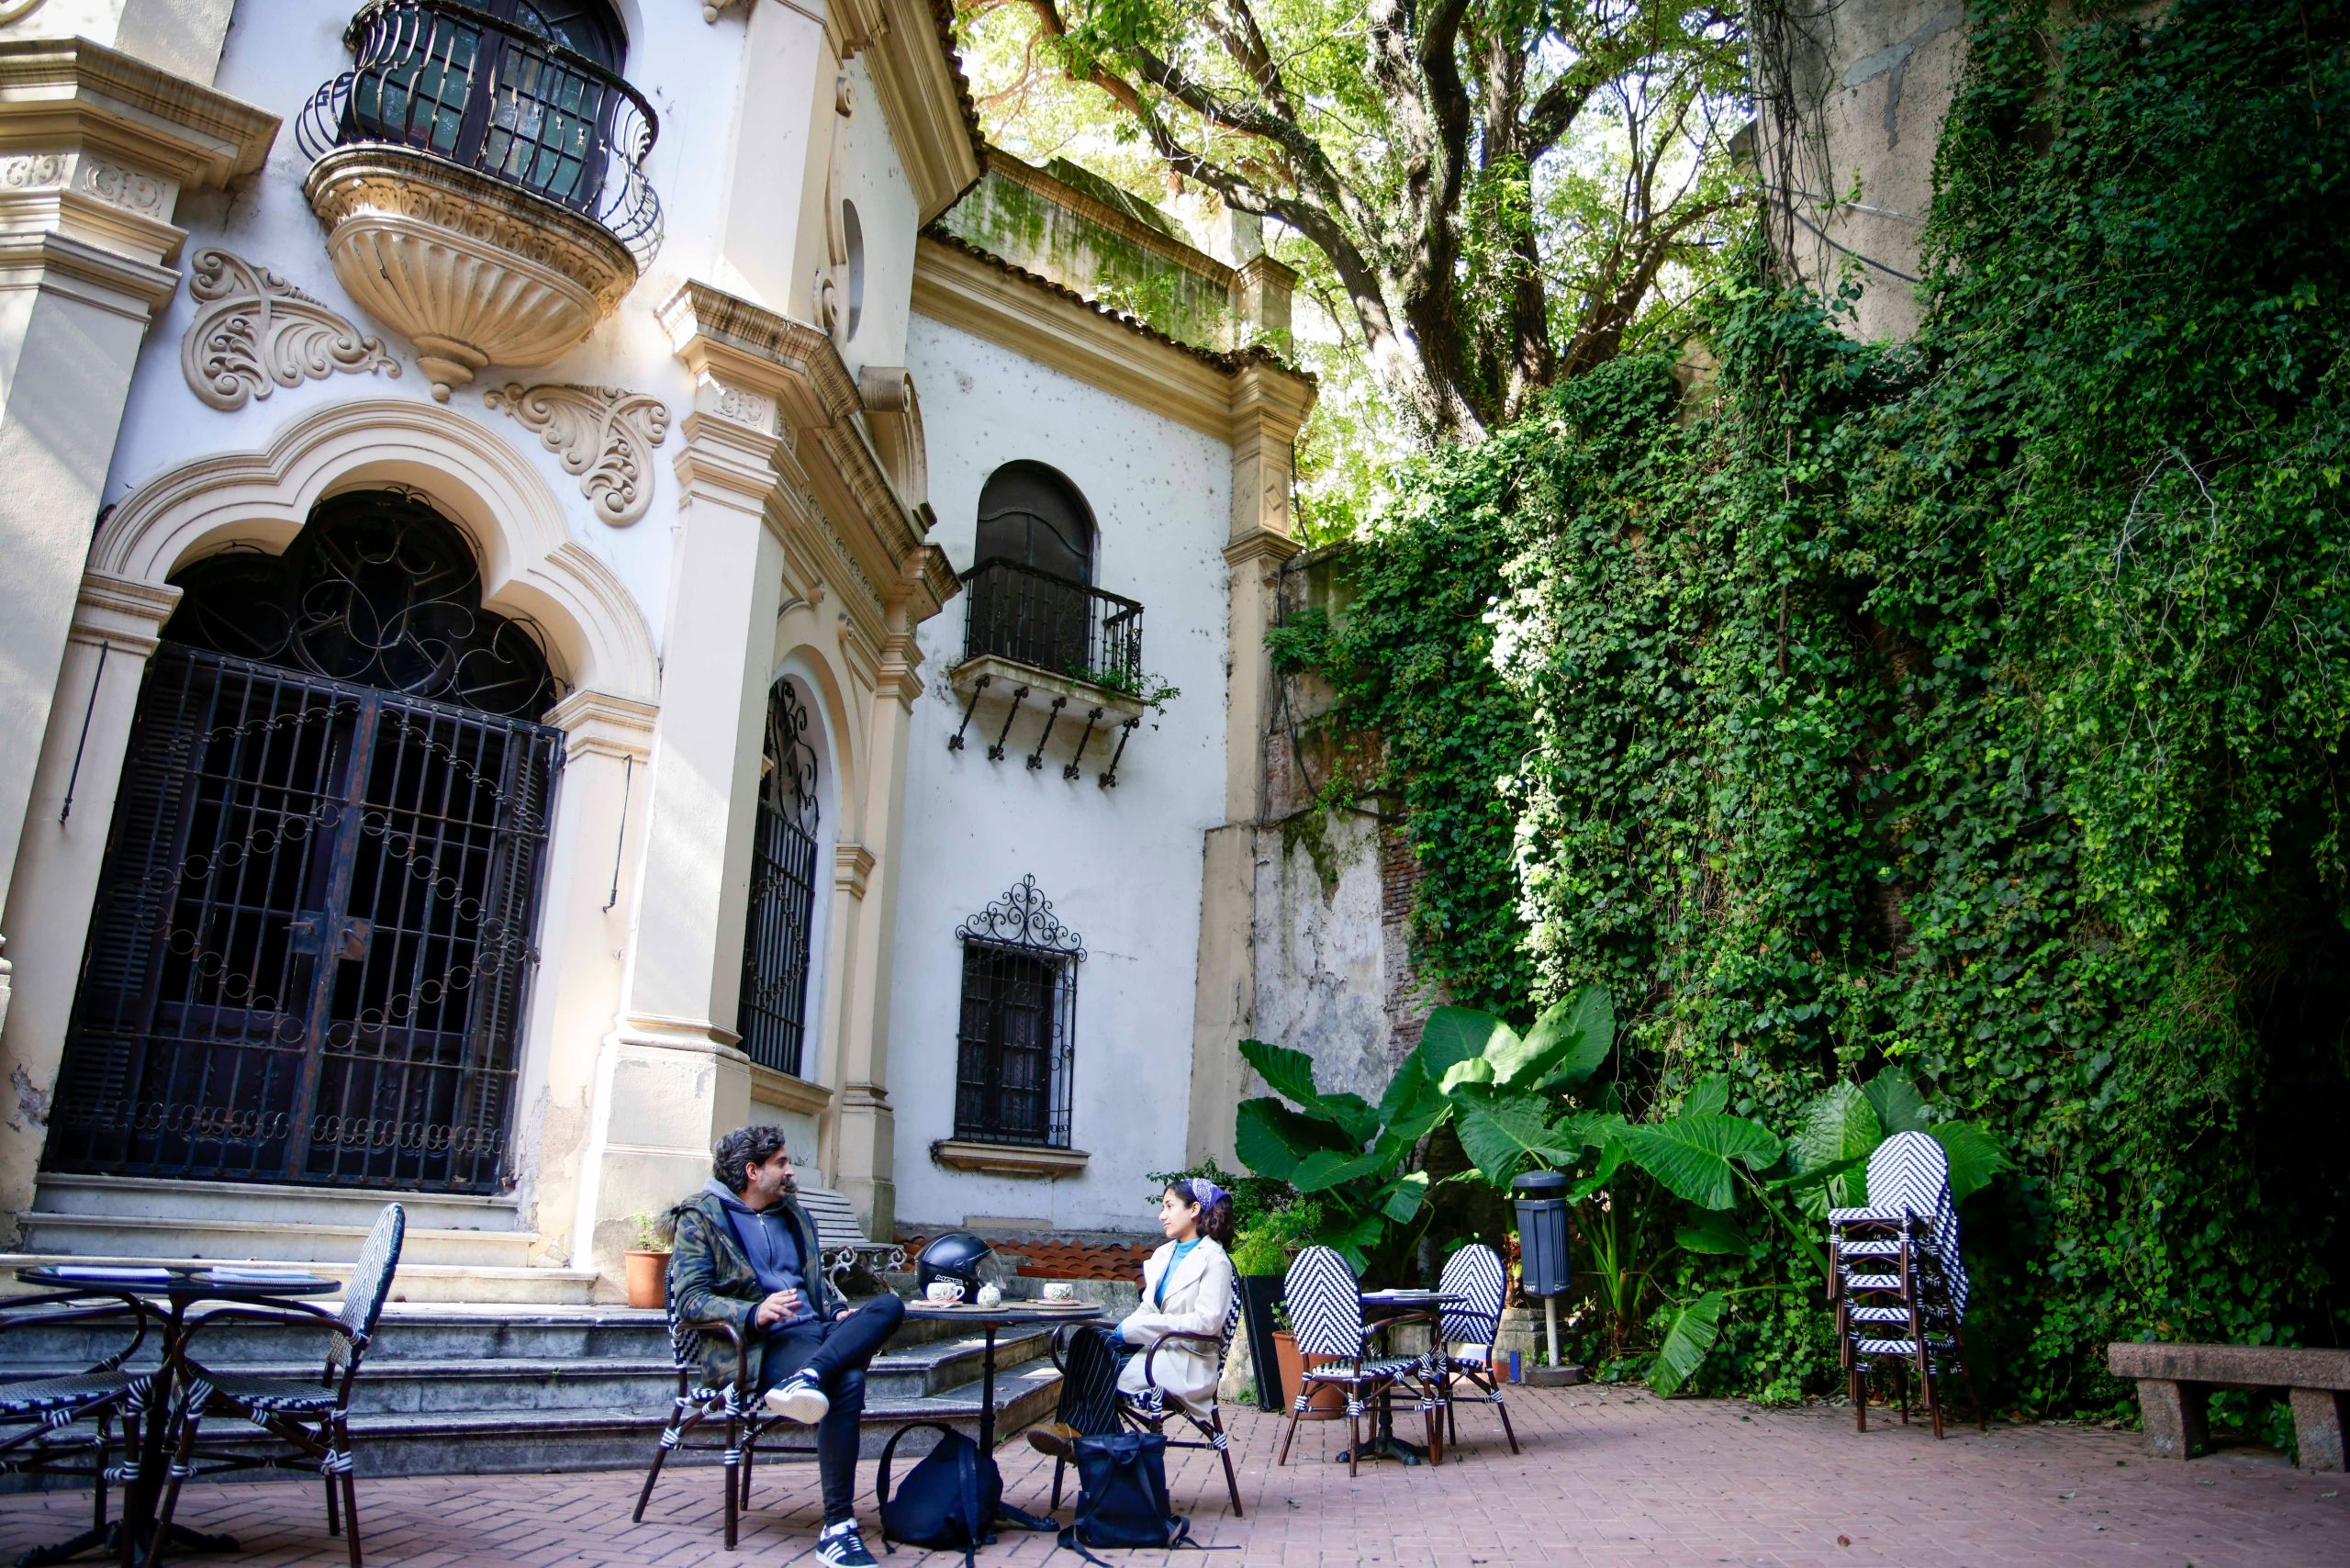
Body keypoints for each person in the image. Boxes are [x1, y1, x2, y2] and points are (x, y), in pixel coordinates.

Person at [668, 1126, 905, 1568]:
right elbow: (690, 1299)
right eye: (781, 1163)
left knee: (889, 1306)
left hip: (813, 1334)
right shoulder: (701, 1218)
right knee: (848, 1380)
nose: (789, 1171)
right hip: (756, 1346)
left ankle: (810, 1376)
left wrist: (836, 1312)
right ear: (753, 1171)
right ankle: (838, 1528)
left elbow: (816, 1285)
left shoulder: (793, 1213)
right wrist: (754, 1312)